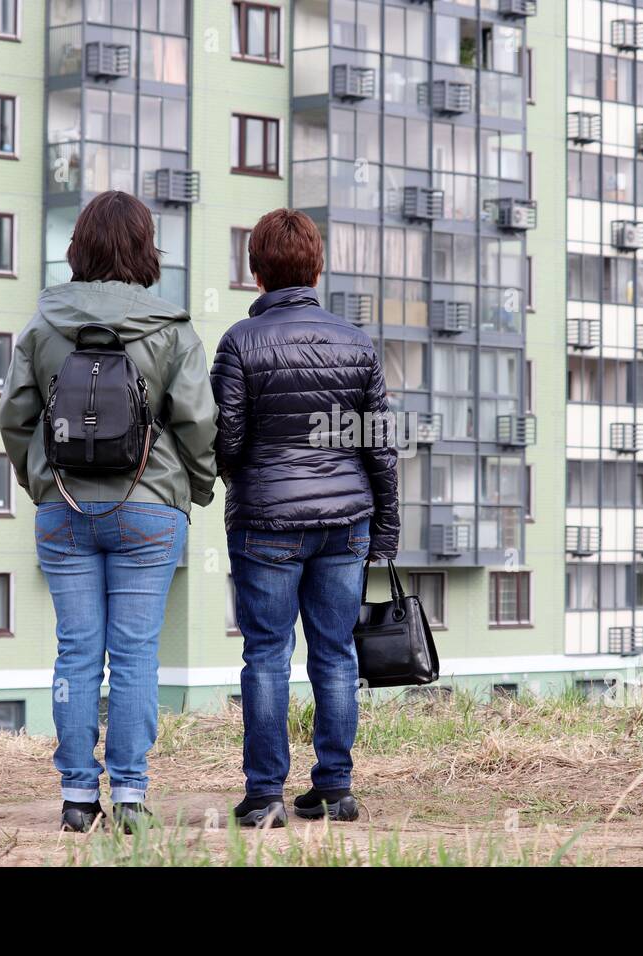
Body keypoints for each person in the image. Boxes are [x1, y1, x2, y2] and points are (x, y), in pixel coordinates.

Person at [0, 191, 217, 833]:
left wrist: (39, 481)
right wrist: (194, 489)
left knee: (75, 653)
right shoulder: (171, 328)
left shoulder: (42, 326)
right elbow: (199, 423)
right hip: (149, 509)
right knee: (136, 652)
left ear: (79, 249)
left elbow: (14, 416)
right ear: (147, 250)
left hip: (63, 509)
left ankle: (74, 796)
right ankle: (128, 794)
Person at [211, 209, 399, 827]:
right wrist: (387, 530)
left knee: (266, 654)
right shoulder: (356, 342)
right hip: (347, 521)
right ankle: (335, 789)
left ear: (256, 272)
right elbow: (379, 446)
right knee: (336, 653)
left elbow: (228, 439)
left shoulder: (240, 341)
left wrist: (247, 479)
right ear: (317, 268)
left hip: (266, 522)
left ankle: (265, 795)